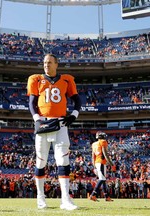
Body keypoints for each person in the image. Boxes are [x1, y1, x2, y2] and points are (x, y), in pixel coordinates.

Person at [27, 53, 81, 210]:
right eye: (44, 62)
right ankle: (40, 198)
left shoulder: (66, 79)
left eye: (49, 62)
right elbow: (31, 102)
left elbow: (77, 100)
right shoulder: (36, 79)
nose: (46, 65)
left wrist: (74, 115)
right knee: (41, 160)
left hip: (60, 123)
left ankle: (65, 200)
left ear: (57, 64)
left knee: (63, 160)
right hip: (43, 122)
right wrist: (36, 117)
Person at [89, 131, 114, 202]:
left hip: (97, 162)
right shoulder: (103, 142)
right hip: (102, 162)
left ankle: (106, 196)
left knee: (103, 179)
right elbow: (105, 153)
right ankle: (93, 194)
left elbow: (93, 156)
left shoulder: (94, 144)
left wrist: (94, 165)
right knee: (102, 179)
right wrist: (111, 163)